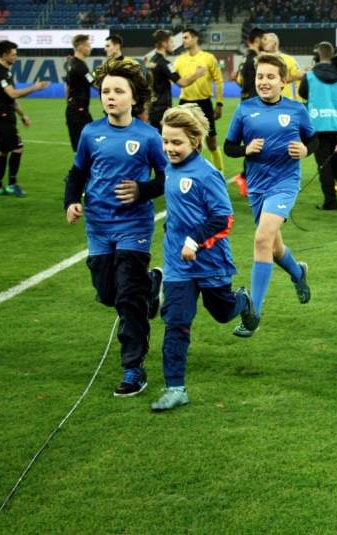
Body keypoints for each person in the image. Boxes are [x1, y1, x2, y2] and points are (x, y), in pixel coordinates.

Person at [63, 59, 168, 397]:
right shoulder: (90, 133)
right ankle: (152, 285)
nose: (110, 96)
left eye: (118, 91)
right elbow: (78, 173)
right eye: (106, 91)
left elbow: (166, 177)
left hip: (134, 226)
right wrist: (71, 201)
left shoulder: (148, 136)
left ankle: (133, 368)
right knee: (108, 293)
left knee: (127, 298)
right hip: (98, 226)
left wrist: (142, 190)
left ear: (134, 98)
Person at [152, 105, 260, 411]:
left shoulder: (207, 174)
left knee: (223, 313)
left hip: (210, 262)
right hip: (178, 265)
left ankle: (243, 301)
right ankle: (175, 388)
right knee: (176, 323)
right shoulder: (169, 168)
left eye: (177, 142)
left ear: (195, 142)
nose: (169, 148)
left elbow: (224, 219)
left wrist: (194, 240)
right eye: (165, 141)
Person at [223, 53, 318, 337]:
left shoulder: (296, 109)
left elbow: (312, 139)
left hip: (285, 184)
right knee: (274, 248)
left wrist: (305, 150)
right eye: (260, 76)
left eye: (270, 77)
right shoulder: (245, 109)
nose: (264, 82)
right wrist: (246, 149)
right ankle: (298, 273)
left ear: (283, 81)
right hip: (257, 186)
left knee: (261, 239)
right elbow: (229, 147)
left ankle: (254, 313)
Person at [298, 41, 337, 210]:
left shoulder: (310, 76)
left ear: (317, 56)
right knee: (336, 162)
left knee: (324, 165)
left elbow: (303, 93)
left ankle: (330, 201)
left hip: (318, 124)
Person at [0, 40, 50, 197]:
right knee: (17, 148)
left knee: (2, 151)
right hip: (2, 116)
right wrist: (34, 88)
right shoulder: (0, 73)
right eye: (13, 54)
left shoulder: (6, 72)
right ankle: (12, 184)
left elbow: (11, 99)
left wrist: (23, 115)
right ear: (4, 55)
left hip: (6, 115)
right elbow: (13, 94)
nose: (16, 57)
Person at [174, 28, 225, 176]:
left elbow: (219, 81)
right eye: (182, 38)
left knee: (211, 142)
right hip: (185, 104)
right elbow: (172, 78)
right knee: (185, 142)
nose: (183, 41)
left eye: (186, 37)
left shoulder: (208, 58)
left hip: (204, 103)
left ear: (195, 38)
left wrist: (219, 103)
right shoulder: (179, 60)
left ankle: (219, 174)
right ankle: (188, 173)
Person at [146, 29, 207, 132]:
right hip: (162, 109)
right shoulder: (164, 63)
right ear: (164, 44)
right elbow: (182, 82)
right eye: (171, 42)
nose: (173, 45)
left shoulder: (152, 61)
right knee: (164, 139)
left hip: (153, 108)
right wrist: (197, 74)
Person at [232, 27, 265, 196]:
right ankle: (245, 177)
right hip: (254, 105)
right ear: (257, 40)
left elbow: (242, 83)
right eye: (263, 39)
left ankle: (249, 178)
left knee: (256, 142)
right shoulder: (255, 59)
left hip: (246, 103)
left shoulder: (244, 57)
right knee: (257, 143)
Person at [65, 34, 94, 152]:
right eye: (88, 46)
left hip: (75, 110)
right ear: (82, 48)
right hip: (79, 111)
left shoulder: (71, 64)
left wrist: (69, 110)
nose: (90, 48)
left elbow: (67, 88)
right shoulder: (80, 67)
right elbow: (94, 83)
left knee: (87, 146)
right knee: (85, 147)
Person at [261, 32, 305, 101]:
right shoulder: (259, 61)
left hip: (286, 101)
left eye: (267, 43)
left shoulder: (288, 60)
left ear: (275, 44)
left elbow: (300, 76)